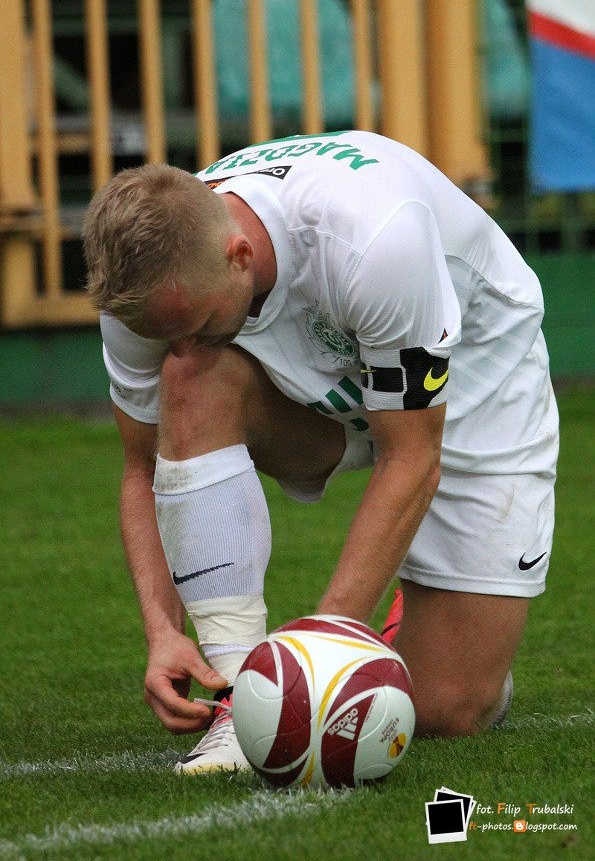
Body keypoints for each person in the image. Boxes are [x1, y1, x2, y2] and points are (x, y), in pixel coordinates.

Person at [82, 130, 558, 774]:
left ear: (238, 255)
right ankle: (234, 702)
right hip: (322, 378)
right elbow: (143, 468)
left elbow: (412, 457)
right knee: (191, 375)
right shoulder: (146, 294)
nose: (178, 340)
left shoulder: (377, 239)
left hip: (474, 374)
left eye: (193, 323)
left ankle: (406, 629)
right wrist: (162, 632)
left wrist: (315, 667)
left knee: (449, 709)